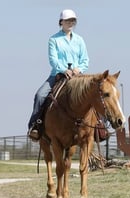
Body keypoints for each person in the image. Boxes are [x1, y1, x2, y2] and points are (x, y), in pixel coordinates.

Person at [28, 9, 89, 141]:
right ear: (61, 22)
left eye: (73, 20)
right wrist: (64, 70)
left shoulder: (80, 40)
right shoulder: (53, 40)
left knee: (95, 92)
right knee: (39, 95)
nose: (71, 23)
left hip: (78, 77)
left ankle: (101, 127)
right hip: (58, 76)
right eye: (68, 20)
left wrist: (78, 69)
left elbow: (85, 60)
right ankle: (35, 126)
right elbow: (53, 60)